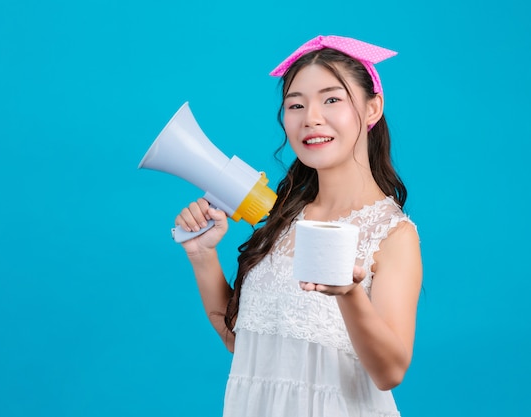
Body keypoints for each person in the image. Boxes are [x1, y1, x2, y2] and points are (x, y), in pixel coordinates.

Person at [174, 35, 423, 417]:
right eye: (295, 104)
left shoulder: (392, 234)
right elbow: (242, 343)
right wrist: (203, 254)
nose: (311, 118)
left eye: (331, 99)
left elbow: (390, 372)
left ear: (373, 108)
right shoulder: (283, 220)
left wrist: (348, 294)